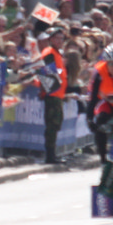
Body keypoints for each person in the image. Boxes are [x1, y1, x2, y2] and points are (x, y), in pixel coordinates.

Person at [39, 27, 68, 164]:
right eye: (56, 38)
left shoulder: (57, 54)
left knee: (55, 125)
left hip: (58, 94)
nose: (59, 41)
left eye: (61, 38)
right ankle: (50, 156)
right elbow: (47, 73)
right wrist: (46, 91)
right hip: (52, 94)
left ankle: (52, 154)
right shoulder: (49, 53)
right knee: (52, 125)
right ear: (50, 39)